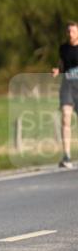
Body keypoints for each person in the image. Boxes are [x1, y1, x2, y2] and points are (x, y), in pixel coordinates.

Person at [51, 21, 78, 169]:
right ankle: (66, 156)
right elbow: (61, 64)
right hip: (67, 86)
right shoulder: (63, 48)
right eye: (68, 31)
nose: (70, 34)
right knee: (65, 118)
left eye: (73, 31)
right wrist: (57, 70)